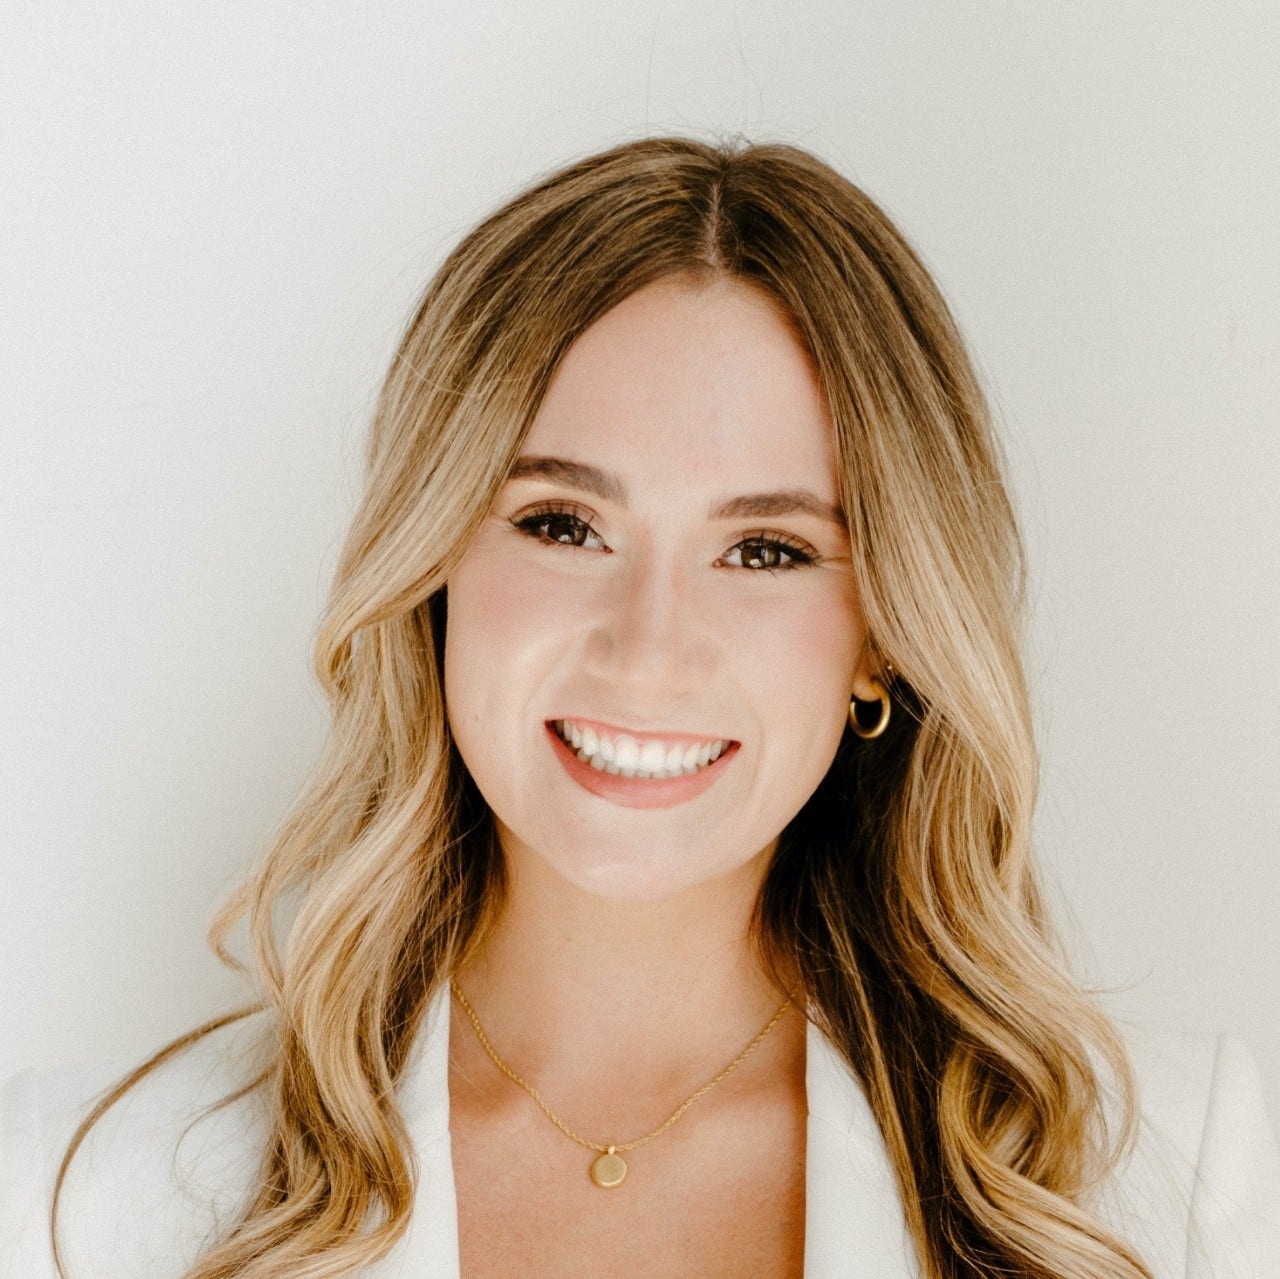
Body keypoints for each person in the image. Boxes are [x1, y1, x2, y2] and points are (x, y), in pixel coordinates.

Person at [2, 135, 1278, 1279]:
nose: (648, 648)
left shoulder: (1177, 1183)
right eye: (563, 523)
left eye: (766, 549)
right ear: (433, 571)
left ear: (884, 639)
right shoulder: (73, 1201)